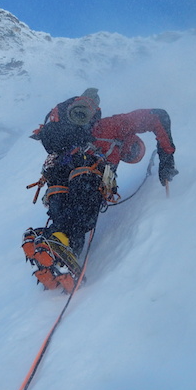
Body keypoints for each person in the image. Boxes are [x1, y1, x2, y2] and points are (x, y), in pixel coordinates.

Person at [22, 88, 178, 291]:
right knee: (83, 216)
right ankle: (57, 250)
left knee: (66, 220)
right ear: (131, 142)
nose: (128, 155)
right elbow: (158, 115)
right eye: (132, 152)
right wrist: (167, 157)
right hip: (87, 173)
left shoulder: (80, 131)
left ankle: (53, 253)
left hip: (57, 174)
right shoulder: (115, 126)